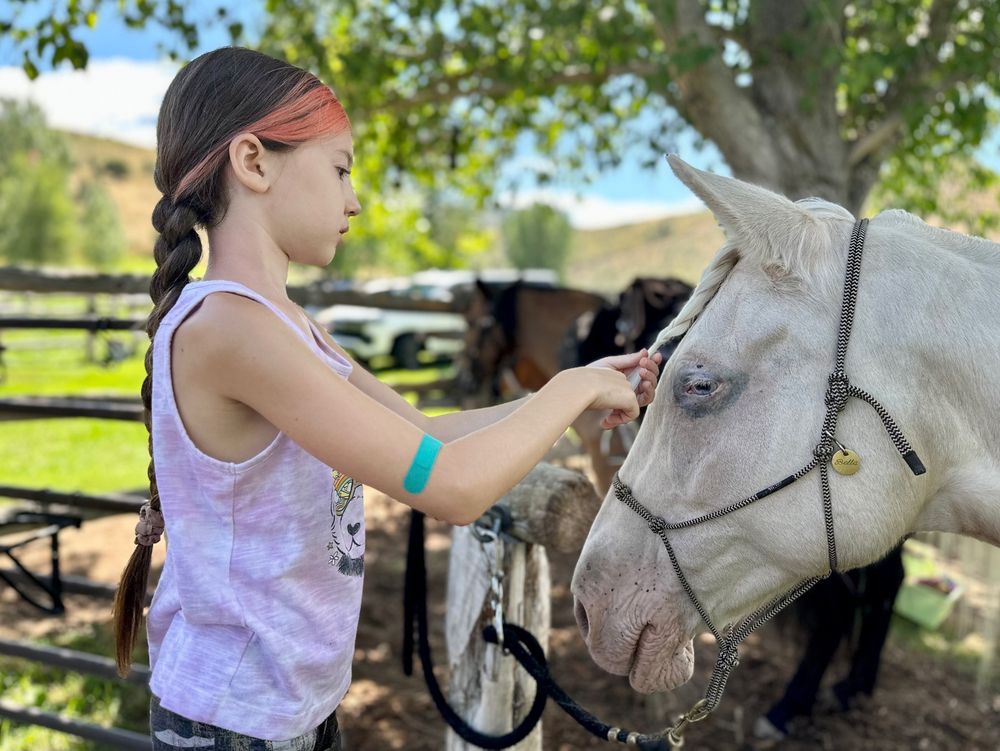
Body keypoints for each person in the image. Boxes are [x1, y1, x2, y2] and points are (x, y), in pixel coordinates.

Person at [111, 46, 662, 750]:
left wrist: (573, 396)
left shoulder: (288, 327)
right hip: (237, 720)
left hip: (285, 709)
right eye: (339, 167)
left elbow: (426, 435)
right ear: (253, 162)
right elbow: (453, 487)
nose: (355, 198)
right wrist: (572, 384)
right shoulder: (231, 328)